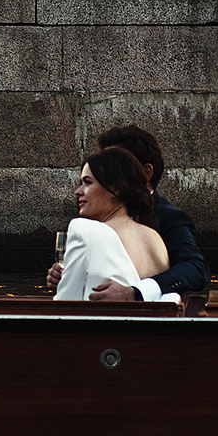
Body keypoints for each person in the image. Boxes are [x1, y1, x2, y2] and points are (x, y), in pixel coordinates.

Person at [45, 124, 206, 302]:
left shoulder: (168, 218)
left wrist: (136, 292)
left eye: (119, 162)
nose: (78, 192)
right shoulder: (154, 238)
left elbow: (195, 269)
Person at [51, 147, 174, 303]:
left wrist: (63, 284)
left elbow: (66, 304)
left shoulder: (85, 232)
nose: (78, 191)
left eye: (87, 183)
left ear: (115, 189)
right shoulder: (154, 238)